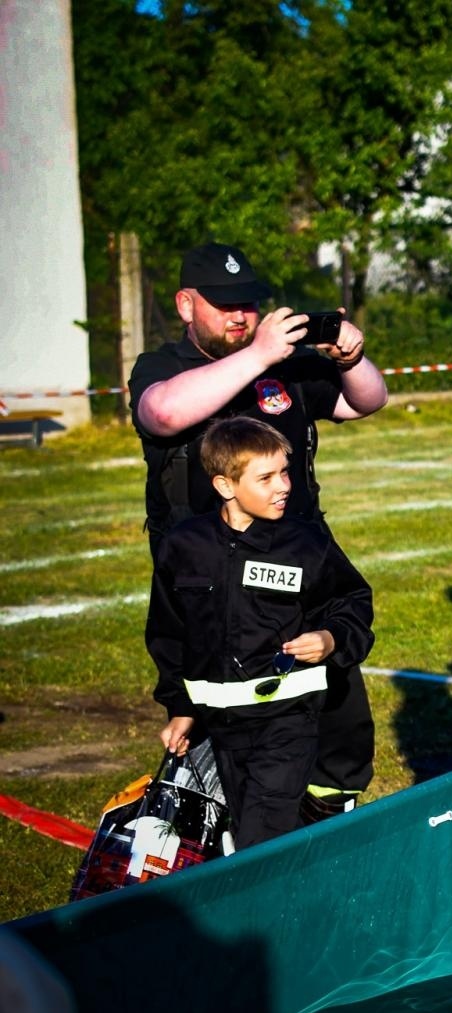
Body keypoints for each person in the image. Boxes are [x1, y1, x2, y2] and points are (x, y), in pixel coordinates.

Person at [129, 242, 386, 825]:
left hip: (299, 557)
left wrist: (351, 359)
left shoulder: (283, 364)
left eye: (247, 304)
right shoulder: (163, 366)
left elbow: (366, 401)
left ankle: (322, 820)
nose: (240, 316)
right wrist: (259, 355)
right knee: (230, 721)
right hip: (211, 574)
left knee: (336, 706)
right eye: (224, 305)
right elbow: (162, 414)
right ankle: (232, 831)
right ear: (186, 305)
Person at [148, 418, 374, 848]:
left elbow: (352, 601)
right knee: (249, 826)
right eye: (266, 478)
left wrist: (330, 639)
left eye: (285, 472)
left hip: (288, 720)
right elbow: (168, 632)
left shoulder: (305, 544)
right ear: (225, 485)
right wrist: (181, 708)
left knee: (261, 838)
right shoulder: (184, 546)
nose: (284, 486)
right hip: (223, 728)